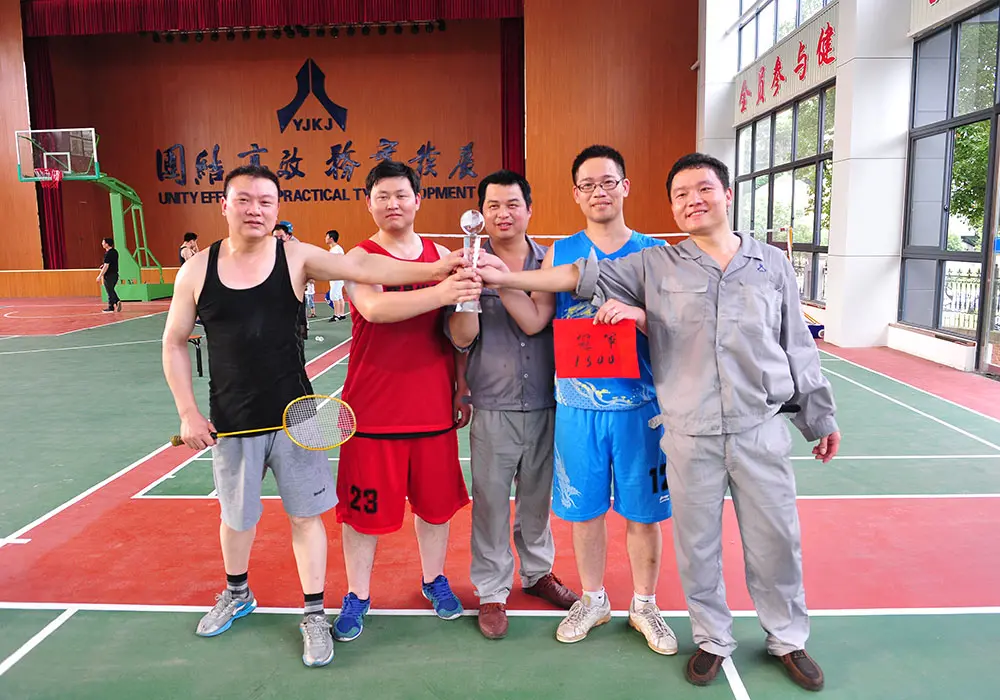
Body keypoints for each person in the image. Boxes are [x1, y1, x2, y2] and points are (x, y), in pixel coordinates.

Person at [475, 152, 841, 692]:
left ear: (727, 194)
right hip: (674, 423)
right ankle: (710, 638)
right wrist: (505, 277)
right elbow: (579, 276)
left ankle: (785, 636)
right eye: (682, 194)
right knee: (696, 543)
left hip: (741, 422)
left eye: (704, 189)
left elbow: (797, 345)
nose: (694, 201)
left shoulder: (764, 263)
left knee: (775, 538)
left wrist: (818, 414)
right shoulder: (659, 264)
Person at [161, 164, 477, 669]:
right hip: (233, 419)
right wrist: (187, 412)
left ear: (277, 208)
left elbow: (370, 272)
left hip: (298, 415)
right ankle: (237, 593)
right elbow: (175, 342)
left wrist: (441, 268)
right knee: (236, 518)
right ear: (224, 205)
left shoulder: (298, 256)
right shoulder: (197, 269)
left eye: (265, 201)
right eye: (244, 200)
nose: (255, 209)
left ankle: (313, 614)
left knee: (307, 519)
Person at [332, 160, 476, 644]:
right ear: (368, 203)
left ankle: (434, 579)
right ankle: (358, 594)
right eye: (382, 196)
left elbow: (457, 333)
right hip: (372, 411)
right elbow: (375, 308)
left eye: (401, 195)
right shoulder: (359, 258)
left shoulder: (444, 256)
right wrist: (442, 288)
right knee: (362, 516)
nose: (392, 204)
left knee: (435, 509)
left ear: (418, 200)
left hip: (432, 406)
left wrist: (461, 384)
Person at [446, 169, 580, 640]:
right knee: (489, 502)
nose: (503, 214)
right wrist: (468, 294)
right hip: (493, 402)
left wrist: (502, 281)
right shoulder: (467, 263)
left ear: (529, 210)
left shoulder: (552, 262)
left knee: (537, 498)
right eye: (493, 206)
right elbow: (460, 339)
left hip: (549, 400)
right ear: (480, 215)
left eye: (512, 205)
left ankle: (538, 572)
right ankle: (491, 590)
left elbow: (546, 323)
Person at [325, 230, 348, 322]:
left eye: (326, 237)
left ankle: (336, 315)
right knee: (339, 295)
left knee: (334, 295)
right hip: (337, 276)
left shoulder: (336, 250)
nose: (325, 239)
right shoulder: (335, 249)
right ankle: (341, 314)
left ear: (331, 238)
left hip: (336, 276)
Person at [97, 237, 121, 313]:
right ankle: (117, 301)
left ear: (107, 244)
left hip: (109, 275)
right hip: (115, 274)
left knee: (109, 291)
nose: (102, 244)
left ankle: (111, 307)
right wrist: (103, 265)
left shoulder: (108, 254)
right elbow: (111, 263)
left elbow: (106, 266)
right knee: (111, 290)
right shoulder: (115, 252)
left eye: (103, 242)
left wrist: (100, 276)